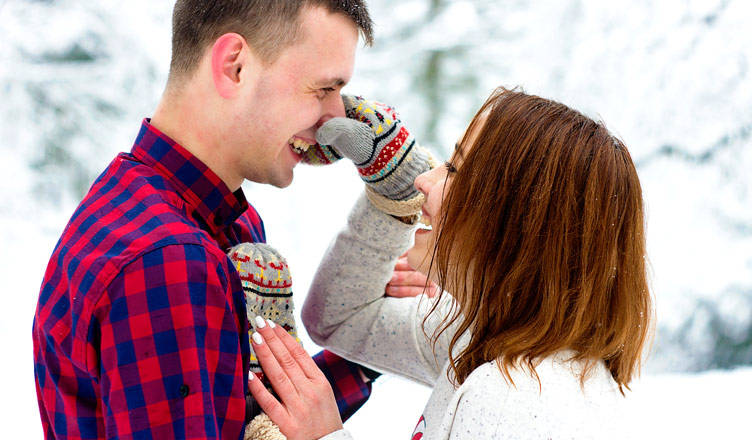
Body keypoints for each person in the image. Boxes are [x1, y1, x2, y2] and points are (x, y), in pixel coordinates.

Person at [31, 1, 394, 439]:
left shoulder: (213, 223)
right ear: (234, 67)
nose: (336, 118)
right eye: (322, 90)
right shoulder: (167, 264)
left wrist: (369, 343)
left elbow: (241, 419)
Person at [246, 87, 654, 439]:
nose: (426, 179)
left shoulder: (513, 399)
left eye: (455, 169)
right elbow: (339, 319)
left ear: (512, 222)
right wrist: (392, 192)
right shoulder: (483, 340)